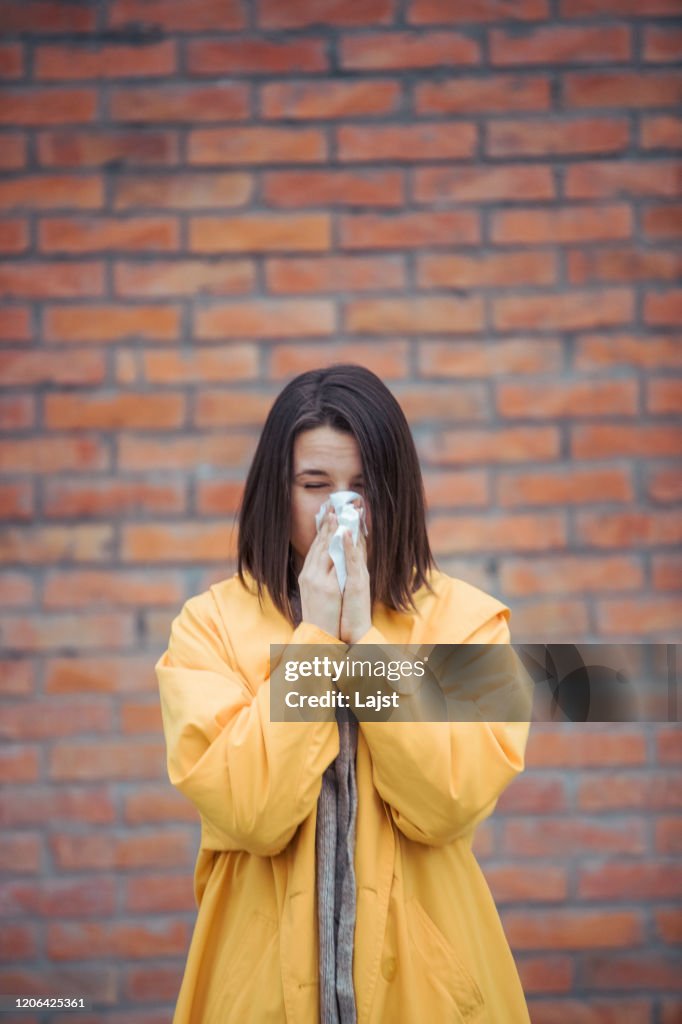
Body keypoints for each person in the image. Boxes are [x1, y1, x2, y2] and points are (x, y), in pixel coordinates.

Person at [155, 364, 532, 1024]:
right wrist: (317, 641)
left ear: (398, 492)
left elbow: (448, 802)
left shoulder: (469, 624)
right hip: (257, 998)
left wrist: (363, 639)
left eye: (363, 488)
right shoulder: (207, 627)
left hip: (432, 996)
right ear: (278, 492)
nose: (342, 510)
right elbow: (252, 811)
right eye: (315, 485)